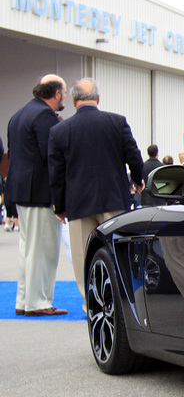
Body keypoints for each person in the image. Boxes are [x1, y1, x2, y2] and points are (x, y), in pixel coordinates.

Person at [48, 78, 144, 304]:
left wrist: (59, 207)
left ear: (73, 100)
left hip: (79, 203)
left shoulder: (59, 130)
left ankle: (91, 302)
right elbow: (134, 155)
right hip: (114, 200)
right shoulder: (117, 122)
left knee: (83, 255)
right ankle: (122, 299)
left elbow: (56, 174)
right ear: (98, 99)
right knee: (117, 250)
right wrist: (138, 180)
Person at [6, 74, 67, 316]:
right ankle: (38, 302)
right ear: (58, 94)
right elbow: (51, 155)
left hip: (21, 191)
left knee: (28, 248)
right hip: (39, 192)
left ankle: (24, 300)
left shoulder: (18, 115)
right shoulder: (44, 116)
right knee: (43, 250)